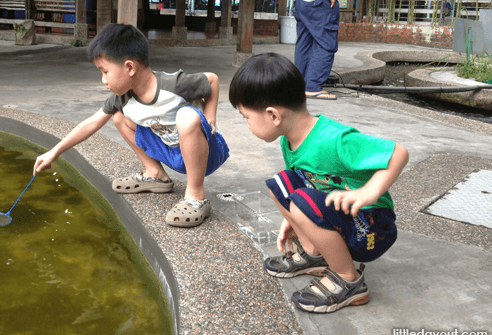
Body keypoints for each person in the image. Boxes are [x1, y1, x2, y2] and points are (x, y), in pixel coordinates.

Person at [228, 53, 408, 313]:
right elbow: (299, 187)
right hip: (337, 215)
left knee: (301, 201)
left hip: (371, 228)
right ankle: (314, 253)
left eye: (246, 116)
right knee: (280, 183)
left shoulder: (334, 139)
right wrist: (294, 220)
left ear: (273, 115)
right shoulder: (288, 140)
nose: (246, 124)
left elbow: (398, 152)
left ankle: (349, 279)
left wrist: (370, 192)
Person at [33, 23, 229, 228]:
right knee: (118, 117)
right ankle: (155, 174)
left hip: (206, 154)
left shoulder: (175, 85)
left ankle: (196, 196)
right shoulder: (122, 99)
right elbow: (91, 122)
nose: (103, 80)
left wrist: (210, 116)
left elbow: (213, 81)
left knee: (186, 116)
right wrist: (55, 152)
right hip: (172, 150)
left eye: (105, 71)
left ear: (129, 67)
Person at [288, 0, 339, 99]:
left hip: (302, 1)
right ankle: (312, 86)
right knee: (326, 43)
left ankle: (300, 85)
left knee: (304, 43)